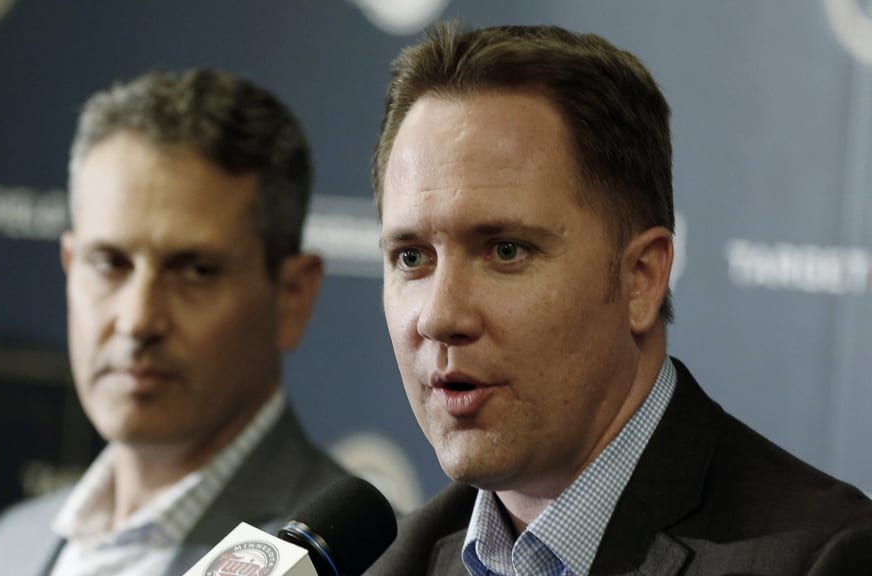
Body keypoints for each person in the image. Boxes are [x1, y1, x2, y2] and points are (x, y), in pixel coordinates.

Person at [365, 22, 872, 575]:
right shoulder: (397, 562)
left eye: (506, 250)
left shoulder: (821, 561)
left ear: (641, 279)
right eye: (411, 257)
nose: (441, 316)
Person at [0, 68, 347, 576]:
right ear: (69, 268)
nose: (138, 319)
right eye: (110, 264)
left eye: (195, 270)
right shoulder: (10, 546)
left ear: (292, 297)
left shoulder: (358, 563)